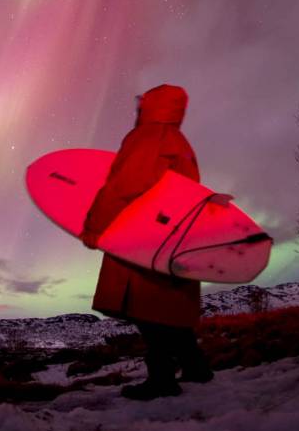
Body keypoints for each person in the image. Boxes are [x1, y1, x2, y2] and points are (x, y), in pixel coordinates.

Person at [81, 84, 214, 400]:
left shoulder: (147, 137)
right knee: (167, 306)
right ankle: (194, 365)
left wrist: (95, 228)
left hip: (142, 238)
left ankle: (162, 379)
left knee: (147, 310)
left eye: (141, 105)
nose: (137, 110)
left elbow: (122, 188)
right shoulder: (178, 140)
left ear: (150, 107)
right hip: (174, 236)